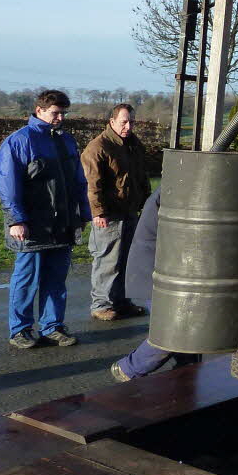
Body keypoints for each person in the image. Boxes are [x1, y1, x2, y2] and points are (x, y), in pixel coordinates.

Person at [0, 89, 91, 348]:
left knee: (56, 280)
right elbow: (8, 186)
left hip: (62, 224)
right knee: (26, 279)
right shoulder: (19, 141)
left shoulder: (67, 141)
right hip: (32, 224)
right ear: (39, 111)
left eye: (63, 113)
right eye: (55, 113)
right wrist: (16, 219)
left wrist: (82, 212)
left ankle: (53, 327)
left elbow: (79, 181)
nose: (60, 117)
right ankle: (20, 330)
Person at [111, 189, 199, 381]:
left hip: (168, 269)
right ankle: (128, 369)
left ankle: (187, 368)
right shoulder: (171, 194)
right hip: (154, 271)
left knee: (186, 325)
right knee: (173, 329)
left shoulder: (178, 188)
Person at [80, 103, 151, 321]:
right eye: (124, 122)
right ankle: (101, 304)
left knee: (127, 261)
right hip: (109, 214)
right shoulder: (98, 147)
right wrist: (98, 213)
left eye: (131, 122)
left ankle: (121, 302)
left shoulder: (132, 144)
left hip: (130, 210)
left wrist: (145, 202)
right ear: (112, 122)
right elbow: (92, 184)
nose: (128, 126)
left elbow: (141, 175)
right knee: (107, 261)